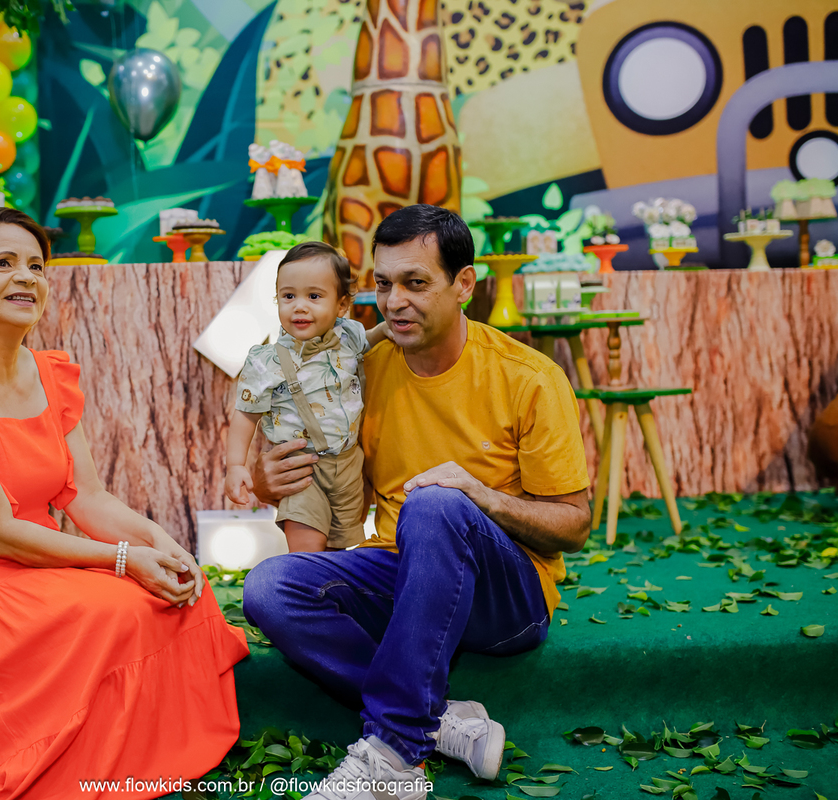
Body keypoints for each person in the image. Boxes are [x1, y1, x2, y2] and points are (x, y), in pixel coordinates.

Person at [0, 205, 249, 800]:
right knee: (114, 609)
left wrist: (162, 543)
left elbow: (88, 496)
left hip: (34, 557)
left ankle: (135, 753)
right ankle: (63, 761)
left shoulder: (48, 374)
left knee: (177, 594)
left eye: (36, 266)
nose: (26, 278)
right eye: (3, 263)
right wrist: (122, 560)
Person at [242, 205, 591, 800]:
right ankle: (441, 718)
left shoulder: (530, 377)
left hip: (510, 601)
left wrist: (482, 499)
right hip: (405, 578)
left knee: (434, 505)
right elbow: (329, 477)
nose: (395, 302)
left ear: (464, 284)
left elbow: (574, 525)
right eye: (383, 284)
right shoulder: (360, 372)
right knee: (270, 587)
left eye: (415, 283)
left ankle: (395, 755)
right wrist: (267, 477)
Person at [226, 242, 388, 552]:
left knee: (342, 549)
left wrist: (386, 331)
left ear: (341, 305)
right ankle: (303, 578)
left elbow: (368, 340)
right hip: (301, 469)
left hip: (347, 466)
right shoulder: (267, 361)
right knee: (308, 551)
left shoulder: (348, 336)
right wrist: (236, 465)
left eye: (314, 296)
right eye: (288, 296)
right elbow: (245, 414)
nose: (299, 307)